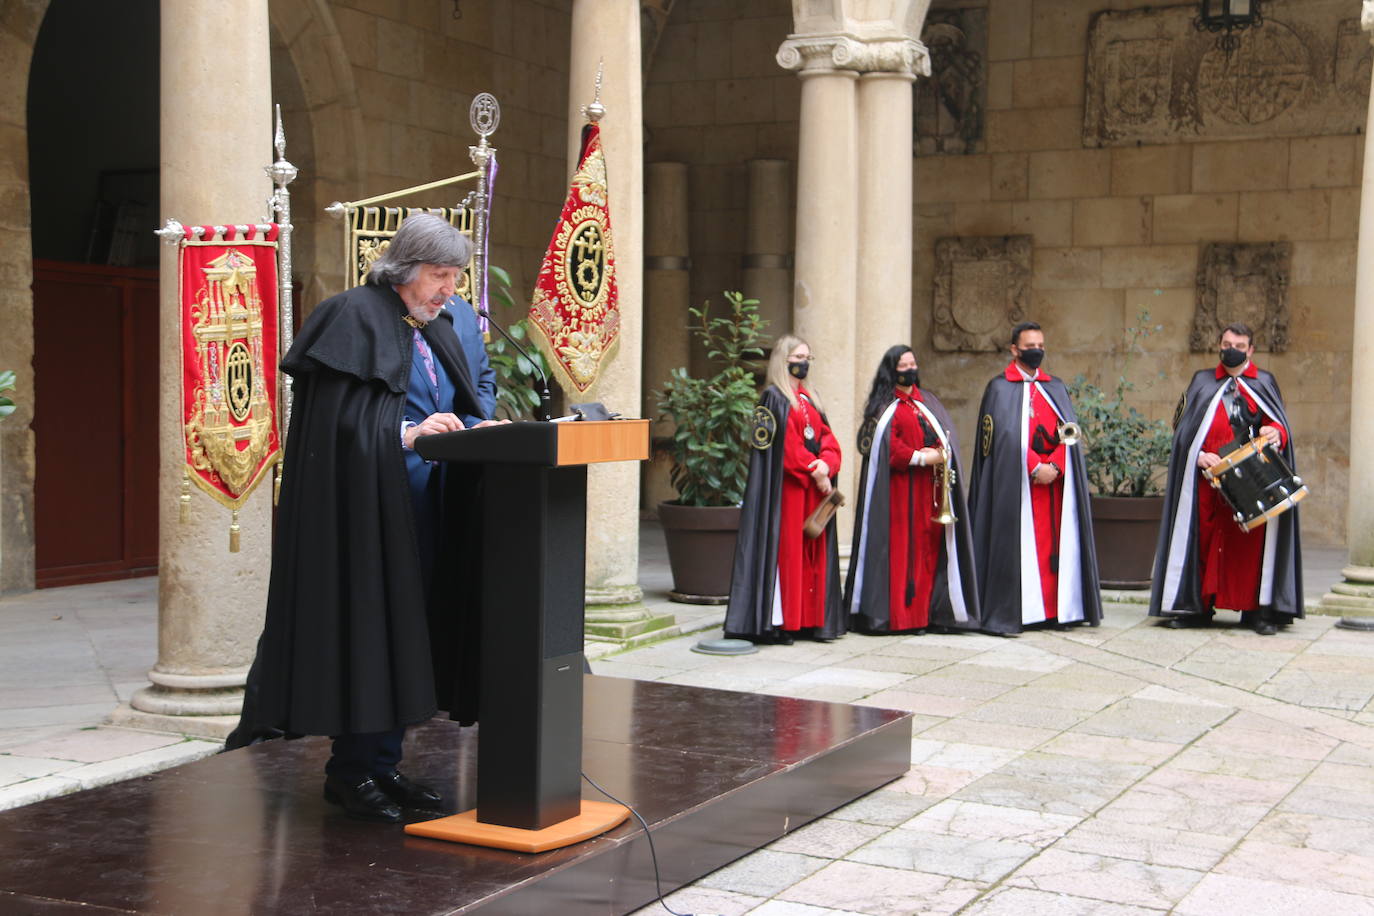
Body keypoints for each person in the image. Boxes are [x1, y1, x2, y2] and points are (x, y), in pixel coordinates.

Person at [226, 214, 503, 823]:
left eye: (455, 276)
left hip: (429, 507)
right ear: (404, 270)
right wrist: (406, 434)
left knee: (408, 636)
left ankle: (382, 765)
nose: (448, 290)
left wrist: (483, 427)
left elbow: (456, 402)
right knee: (368, 633)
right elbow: (335, 424)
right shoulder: (351, 315)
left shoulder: (436, 323)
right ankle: (350, 774)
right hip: (365, 516)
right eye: (438, 276)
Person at [1150, 323, 1303, 635]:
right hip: (1208, 480)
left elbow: (1278, 425)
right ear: (1219, 345)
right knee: (1203, 542)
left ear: (1250, 350)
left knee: (1249, 548)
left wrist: (1276, 432)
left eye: (1239, 344)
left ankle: (1256, 612)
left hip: (1252, 481)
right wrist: (1199, 454)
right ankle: (1196, 609)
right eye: (1226, 343)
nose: (1231, 348)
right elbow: (1181, 431)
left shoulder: (1265, 382)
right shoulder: (1201, 381)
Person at [968, 321, 1101, 635]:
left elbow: (1069, 432)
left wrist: (1055, 465)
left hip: (1053, 488)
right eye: (1030, 347)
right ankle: (1024, 611)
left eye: (1040, 346)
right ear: (1015, 349)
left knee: (1054, 547)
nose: (1036, 351)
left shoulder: (1054, 386)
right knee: (1023, 547)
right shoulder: (999, 388)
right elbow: (1001, 436)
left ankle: (1057, 610)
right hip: (1018, 486)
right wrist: (1033, 466)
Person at [845, 346, 980, 634]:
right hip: (899, 493)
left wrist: (941, 452)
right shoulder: (884, 407)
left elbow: (945, 437)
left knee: (928, 553)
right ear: (892, 371)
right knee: (902, 554)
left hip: (929, 492)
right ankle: (902, 618)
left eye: (913, 363)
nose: (910, 369)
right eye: (903, 365)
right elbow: (888, 449)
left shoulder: (928, 401)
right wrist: (921, 457)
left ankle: (927, 615)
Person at [725, 334, 845, 644]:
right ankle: (782, 622)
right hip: (787, 493)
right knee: (787, 555)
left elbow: (828, 439)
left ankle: (807, 620)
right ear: (784, 360)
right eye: (798, 358)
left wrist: (827, 464)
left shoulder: (810, 398)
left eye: (807, 358)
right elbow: (786, 450)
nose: (804, 363)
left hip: (812, 492)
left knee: (810, 555)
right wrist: (815, 471)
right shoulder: (774, 399)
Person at [448, 294, 497, 426]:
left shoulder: (464, 310)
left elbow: (484, 377)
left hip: (465, 437)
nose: (449, 287)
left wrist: (477, 423)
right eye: (441, 274)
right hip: (412, 436)